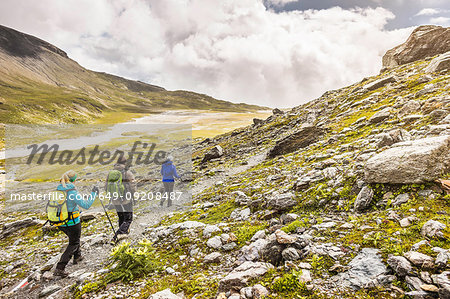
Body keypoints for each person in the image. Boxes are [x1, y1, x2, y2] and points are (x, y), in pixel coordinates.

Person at [54, 170, 98, 278]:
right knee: (74, 242)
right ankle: (60, 268)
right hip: (72, 222)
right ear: (74, 180)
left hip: (60, 222)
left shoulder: (59, 189)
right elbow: (86, 205)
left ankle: (77, 256)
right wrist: (94, 194)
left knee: (73, 239)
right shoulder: (72, 192)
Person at [106, 156, 136, 243]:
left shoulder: (111, 173)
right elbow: (132, 186)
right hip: (126, 199)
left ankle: (124, 233)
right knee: (128, 218)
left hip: (115, 199)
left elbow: (106, 186)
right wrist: (133, 195)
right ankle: (117, 236)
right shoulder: (127, 173)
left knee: (121, 217)